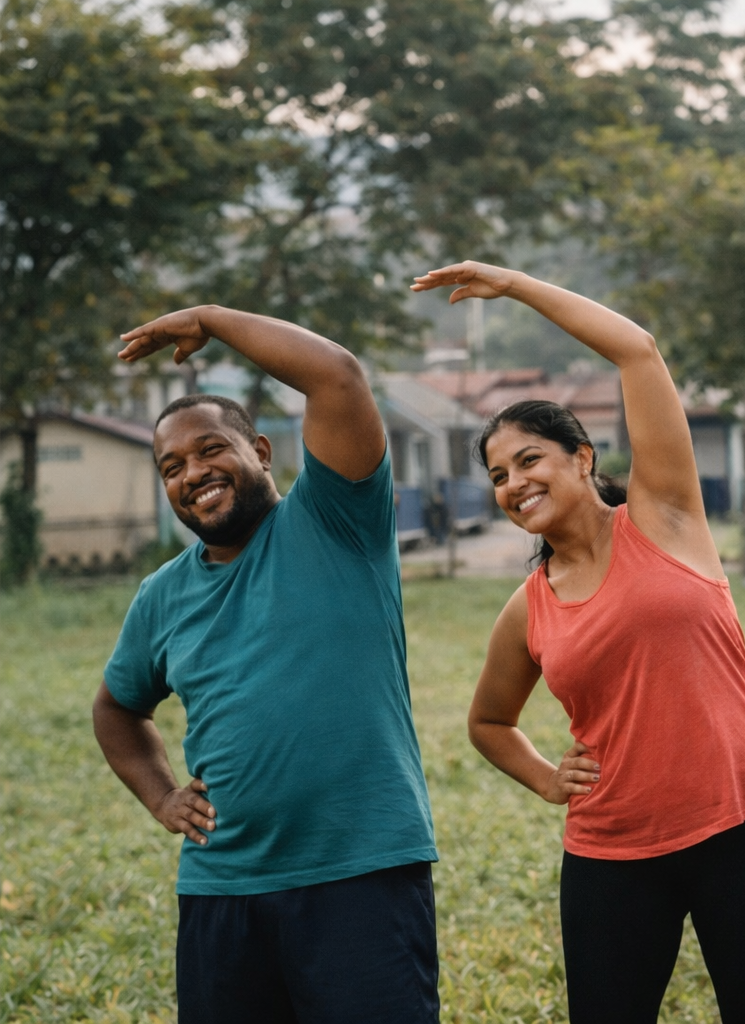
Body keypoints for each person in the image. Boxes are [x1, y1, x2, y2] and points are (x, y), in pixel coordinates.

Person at [419, 262, 745, 1024]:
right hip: (612, 849)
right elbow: (489, 723)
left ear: (583, 457)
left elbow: (637, 351)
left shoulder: (666, 517)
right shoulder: (527, 608)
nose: (513, 484)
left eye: (528, 460)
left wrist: (515, 286)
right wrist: (545, 778)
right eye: (498, 476)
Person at [92, 308, 439, 1023]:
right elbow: (117, 708)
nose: (193, 473)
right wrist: (162, 797)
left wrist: (212, 319)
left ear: (260, 450)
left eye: (210, 450)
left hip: (361, 873)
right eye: (172, 468)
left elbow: (336, 376)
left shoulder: (337, 520)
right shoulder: (162, 595)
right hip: (222, 887)